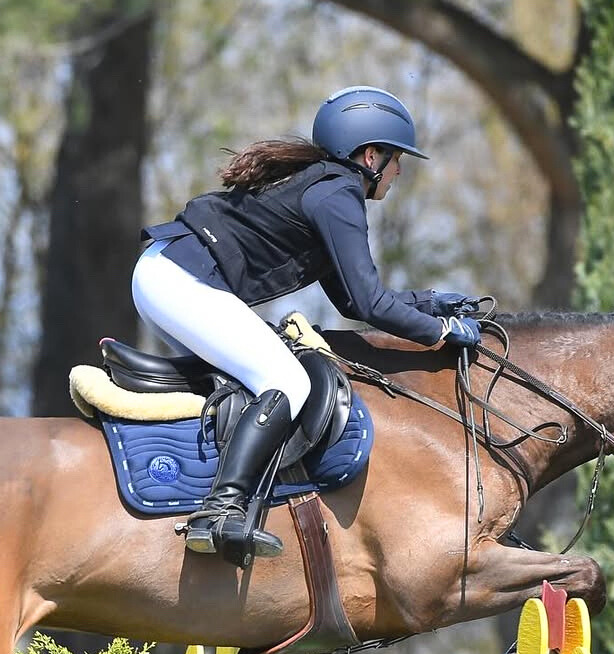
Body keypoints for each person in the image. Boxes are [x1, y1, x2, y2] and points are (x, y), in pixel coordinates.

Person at [134, 85, 483, 559]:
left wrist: (430, 302)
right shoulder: (339, 194)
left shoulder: (321, 184)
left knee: (258, 375)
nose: (399, 170)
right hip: (178, 279)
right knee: (287, 381)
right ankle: (220, 511)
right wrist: (441, 334)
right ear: (371, 154)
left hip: (167, 271)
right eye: (397, 158)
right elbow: (371, 303)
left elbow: (352, 301)